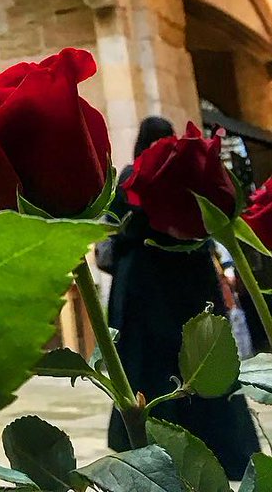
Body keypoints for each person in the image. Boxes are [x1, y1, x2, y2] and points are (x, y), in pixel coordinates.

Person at [106, 116, 259, 479]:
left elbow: (116, 228)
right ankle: (223, 447)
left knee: (147, 368)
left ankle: (148, 452)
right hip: (191, 279)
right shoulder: (187, 174)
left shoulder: (129, 179)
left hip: (143, 286)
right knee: (203, 359)